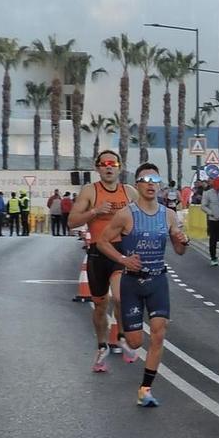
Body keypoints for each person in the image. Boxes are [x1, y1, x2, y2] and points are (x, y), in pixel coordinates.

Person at [91, 162, 189, 408]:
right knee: (135, 342)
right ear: (138, 185)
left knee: (159, 333)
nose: (150, 185)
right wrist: (123, 259)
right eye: (145, 180)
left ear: (160, 185)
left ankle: (145, 389)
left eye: (155, 180)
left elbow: (179, 250)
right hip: (132, 283)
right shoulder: (126, 214)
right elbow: (102, 242)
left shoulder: (169, 214)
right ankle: (125, 335)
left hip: (157, 280)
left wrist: (183, 241)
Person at [68, 151, 133, 373]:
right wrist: (95, 211)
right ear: (97, 168)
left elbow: (146, 216)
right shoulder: (90, 191)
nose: (108, 167)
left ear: (119, 168)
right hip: (97, 253)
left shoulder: (129, 192)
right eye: (104, 164)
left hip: (119, 251)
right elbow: (72, 221)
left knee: (121, 297)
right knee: (100, 306)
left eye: (112, 164)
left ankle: (122, 337)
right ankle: (102, 345)